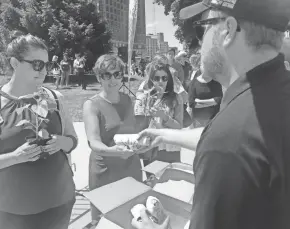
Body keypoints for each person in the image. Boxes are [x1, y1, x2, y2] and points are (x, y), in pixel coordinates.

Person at [133, 0, 290, 228]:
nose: (199, 43)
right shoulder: (275, 94)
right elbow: (239, 138)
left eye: (202, 28)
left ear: (228, 30)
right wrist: (163, 134)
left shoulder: (229, 139)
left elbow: (228, 140)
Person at [0, 33, 78, 229]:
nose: (43, 71)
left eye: (47, 65)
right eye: (37, 64)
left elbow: (72, 140)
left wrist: (62, 142)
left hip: (60, 203)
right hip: (13, 211)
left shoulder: (55, 97)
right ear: (15, 63)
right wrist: (16, 156)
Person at [83, 54, 143, 221]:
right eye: (106, 75)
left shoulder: (128, 100)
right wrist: (113, 151)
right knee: (105, 220)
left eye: (117, 74)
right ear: (98, 77)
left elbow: (133, 131)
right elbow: (93, 142)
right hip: (105, 172)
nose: (113, 79)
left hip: (131, 167)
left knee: (132, 217)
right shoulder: (91, 105)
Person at [134, 61, 183, 164]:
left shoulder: (176, 98)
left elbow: (179, 126)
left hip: (169, 148)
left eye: (164, 78)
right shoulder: (144, 98)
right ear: (151, 79)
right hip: (151, 147)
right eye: (157, 78)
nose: (160, 81)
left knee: (170, 178)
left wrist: (164, 117)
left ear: (168, 80)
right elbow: (138, 126)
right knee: (152, 179)